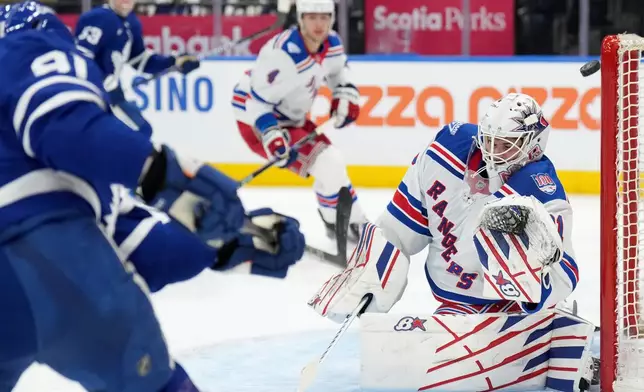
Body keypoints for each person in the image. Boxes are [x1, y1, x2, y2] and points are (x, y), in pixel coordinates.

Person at [0, 2, 301, 391]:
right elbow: (65, 125)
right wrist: (164, 173)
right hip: (40, 247)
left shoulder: (70, 176)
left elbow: (139, 246)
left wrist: (230, 241)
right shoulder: (29, 41)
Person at [309, 92, 579, 318]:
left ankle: (553, 316)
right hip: (456, 304)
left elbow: (566, 271)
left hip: (517, 312)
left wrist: (538, 292)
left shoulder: (541, 189)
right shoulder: (446, 151)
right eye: (489, 140)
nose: (493, 152)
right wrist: (369, 276)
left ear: (533, 147)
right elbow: (398, 228)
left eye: (505, 145)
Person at [231, 0, 368, 242]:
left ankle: (350, 223)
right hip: (257, 121)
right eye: (312, 17)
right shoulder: (281, 54)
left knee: (332, 165)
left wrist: (344, 95)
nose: (319, 24)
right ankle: (343, 226)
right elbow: (255, 103)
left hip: (293, 118)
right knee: (328, 162)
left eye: (325, 16)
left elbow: (338, 73)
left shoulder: (331, 42)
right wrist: (271, 135)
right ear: (301, 19)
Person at [74, 0, 199, 129]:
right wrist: (102, 82)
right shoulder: (97, 18)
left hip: (113, 96)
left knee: (141, 131)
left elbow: (140, 61)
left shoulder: (132, 23)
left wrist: (174, 61)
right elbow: (80, 58)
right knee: (137, 134)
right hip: (92, 97)